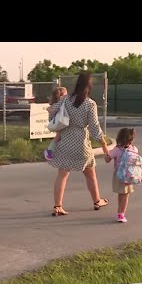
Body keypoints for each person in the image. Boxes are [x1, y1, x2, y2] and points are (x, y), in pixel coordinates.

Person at [47, 72, 110, 216]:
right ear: (89, 86)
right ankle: (97, 201)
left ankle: (58, 206)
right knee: (90, 174)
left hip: (65, 140)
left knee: (62, 175)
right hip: (81, 143)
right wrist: (104, 145)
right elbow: (95, 128)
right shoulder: (90, 104)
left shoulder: (65, 100)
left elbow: (51, 112)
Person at [104, 127, 137, 223]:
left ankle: (120, 213)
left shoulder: (116, 150)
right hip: (129, 174)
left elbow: (107, 160)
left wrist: (106, 152)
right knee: (126, 195)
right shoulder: (134, 149)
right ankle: (122, 213)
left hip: (119, 175)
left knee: (121, 194)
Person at [44, 87, 68, 161]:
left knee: (59, 138)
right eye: (65, 94)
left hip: (56, 123)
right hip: (59, 123)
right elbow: (53, 110)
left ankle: (55, 152)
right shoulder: (60, 104)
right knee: (58, 137)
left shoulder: (54, 104)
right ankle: (49, 152)